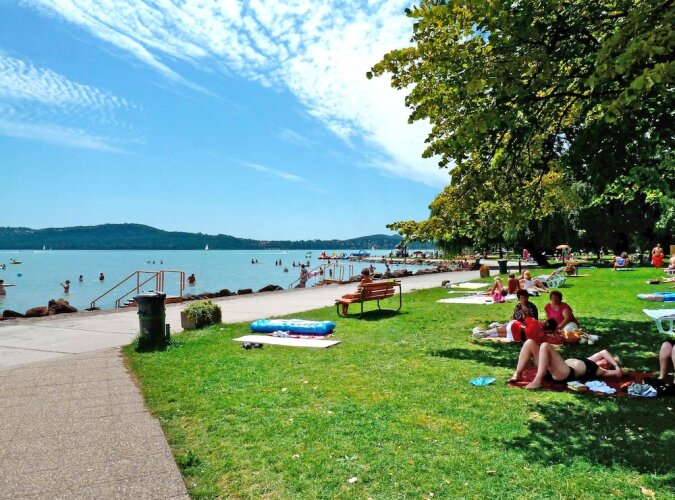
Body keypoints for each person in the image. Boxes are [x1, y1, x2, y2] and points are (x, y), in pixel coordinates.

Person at [510, 339, 623, 389]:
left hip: (565, 374)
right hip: (552, 370)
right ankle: (518, 374)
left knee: (545, 345)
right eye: (606, 361)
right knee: (529, 342)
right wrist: (615, 364)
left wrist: (616, 368)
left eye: (608, 365)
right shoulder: (590, 360)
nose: (606, 364)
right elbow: (603, 352)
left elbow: (619, 372)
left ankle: (537, 381)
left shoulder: (599, 370)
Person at [473, 316, 560, 344]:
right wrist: (556, 333)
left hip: (514, 327)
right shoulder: (544, 338)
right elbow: (559, 341)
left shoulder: (535, 322)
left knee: (508, 326)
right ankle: (488, 335)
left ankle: (487, 332)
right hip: (516, 338)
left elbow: (525, 319)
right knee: (506, 334)